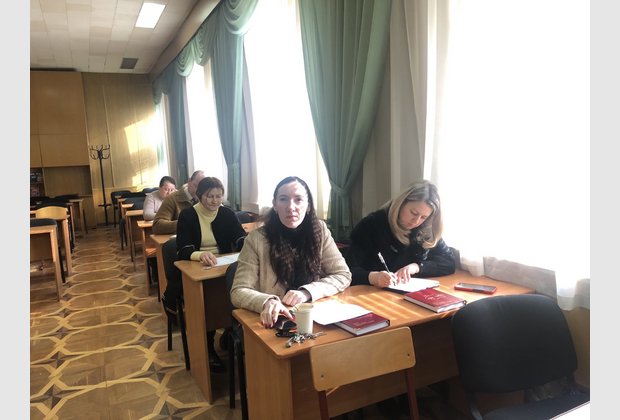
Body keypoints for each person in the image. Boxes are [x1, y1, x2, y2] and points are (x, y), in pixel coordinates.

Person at [230, 176, 352, 328]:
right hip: (275, 320)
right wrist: (267, 301)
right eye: (283, 199)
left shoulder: (320, 231)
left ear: (308, 206)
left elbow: (343, 274)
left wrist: (307, 292)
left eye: (298, 200)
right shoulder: (256, 239)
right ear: (275, 205)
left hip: (314, 315)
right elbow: (238, 291)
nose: (291, 207)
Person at [162, 176, 247, 373]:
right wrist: (200, 255)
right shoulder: (188, 215)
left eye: (218, 196)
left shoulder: (226, 213)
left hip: (222, 264)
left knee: (236, 291)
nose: (215, 201)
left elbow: (239, 237)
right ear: (200, 196)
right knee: (209, 303)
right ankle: (208, 348)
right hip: (196, 264)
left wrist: (246, 244)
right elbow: (183, 249)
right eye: (210, 196)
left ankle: (229, 332)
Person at [347, 180, 455, 287]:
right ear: (401, 203)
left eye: (423, 217)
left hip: (408, 291)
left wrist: (417, 267)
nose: (416, 221)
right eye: (413, 213)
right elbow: (346, 271)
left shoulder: (425, 229)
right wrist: (373, 277)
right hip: (370, 292)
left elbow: (448, 262)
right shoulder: (371, 225)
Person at [152, 170, 205, 234]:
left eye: (203, 188)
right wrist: (184, 223)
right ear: (189, 181)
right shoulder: (172, 199)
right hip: (182, 238)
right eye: (196, 186)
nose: (198, 191)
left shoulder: (206, 198)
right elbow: (157, 226)